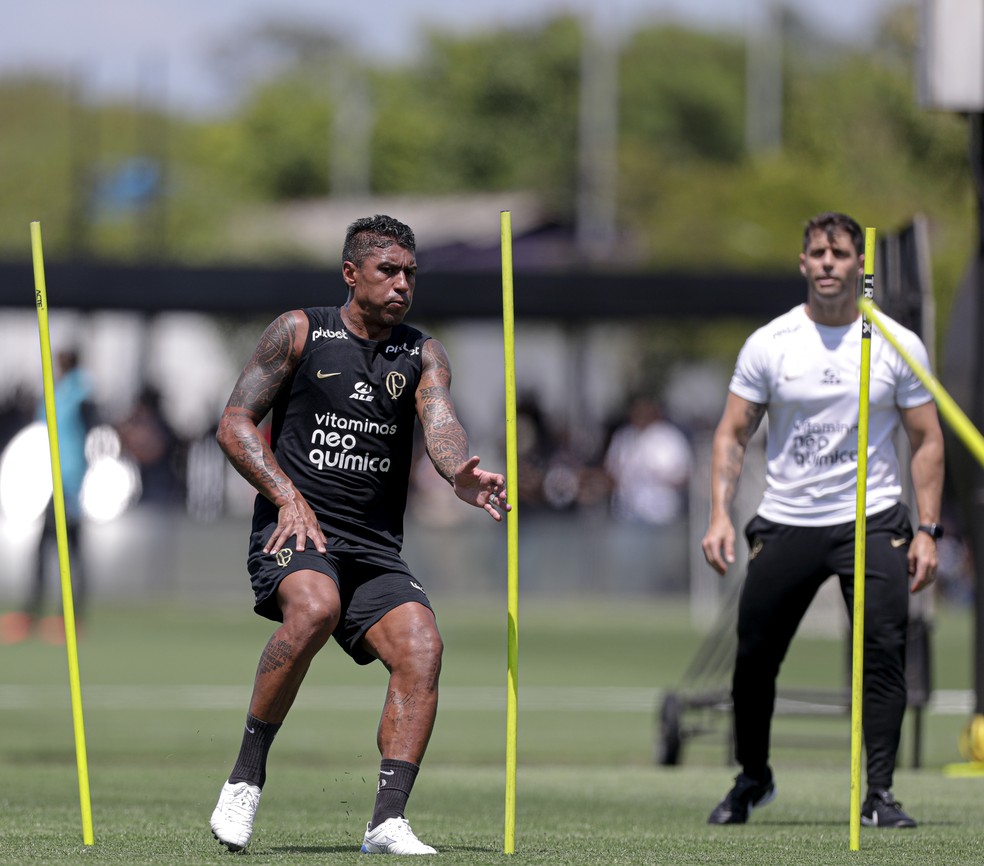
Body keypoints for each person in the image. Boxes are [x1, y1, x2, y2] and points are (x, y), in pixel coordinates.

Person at [208, 214, 509, 856]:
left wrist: (461, 471)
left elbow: (440, 418)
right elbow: (233, 425)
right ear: (352, 273)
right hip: (298, 528)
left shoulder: (422, 350)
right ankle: (245, 779)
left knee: (422, 647)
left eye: (411, 274)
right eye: (388, 271)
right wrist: (286, 494)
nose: (403, 285)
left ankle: (386, 822)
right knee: (316, 607)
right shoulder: (298, 331)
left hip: (373, 545)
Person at [700, 212, 944, 829]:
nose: (829, 262)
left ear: (860, 264)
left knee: (884, 653)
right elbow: (732, 433)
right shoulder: (771, 343)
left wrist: (928, 529)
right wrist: (719, 516)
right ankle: (753, 776)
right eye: (818, 253)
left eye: (840, 253)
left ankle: (880, 793)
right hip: (786, 519)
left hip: (872, 517)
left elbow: (927, 440)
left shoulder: (895, 342)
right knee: (754, 658)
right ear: (803, 263)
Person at [0, 348, 94, 644]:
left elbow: (86, 418)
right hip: (52, 478)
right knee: (52, 549)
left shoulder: (78, 391)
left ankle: (64, 616)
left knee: (63, 551)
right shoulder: (63, 390)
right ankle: (44, 613)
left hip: (67, 479)